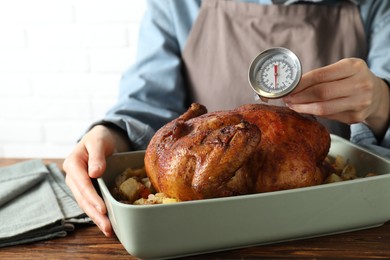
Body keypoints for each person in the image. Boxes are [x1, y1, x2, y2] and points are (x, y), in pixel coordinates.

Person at [63, 0, 390, 237]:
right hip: (196, 227)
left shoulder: (375, 5)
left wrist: (381, 102)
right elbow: (147, 101)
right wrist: (108, 133)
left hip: (335, 226)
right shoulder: (176, 5)